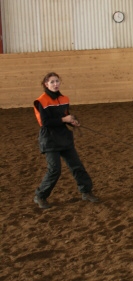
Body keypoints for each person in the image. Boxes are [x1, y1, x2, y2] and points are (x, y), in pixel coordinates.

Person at [33, 72, 99, 209]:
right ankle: (40, 195)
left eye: (57, 81)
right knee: (54, 170)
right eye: (52, 82)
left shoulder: (64, 99)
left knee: (77, 166)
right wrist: (64, 120)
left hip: (63, 137)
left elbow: (65, 116)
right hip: (50, 139)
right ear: (46, 84)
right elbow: (45, 122)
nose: (55, 84)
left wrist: (72, 121)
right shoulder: (41, 101)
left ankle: (86, 191)